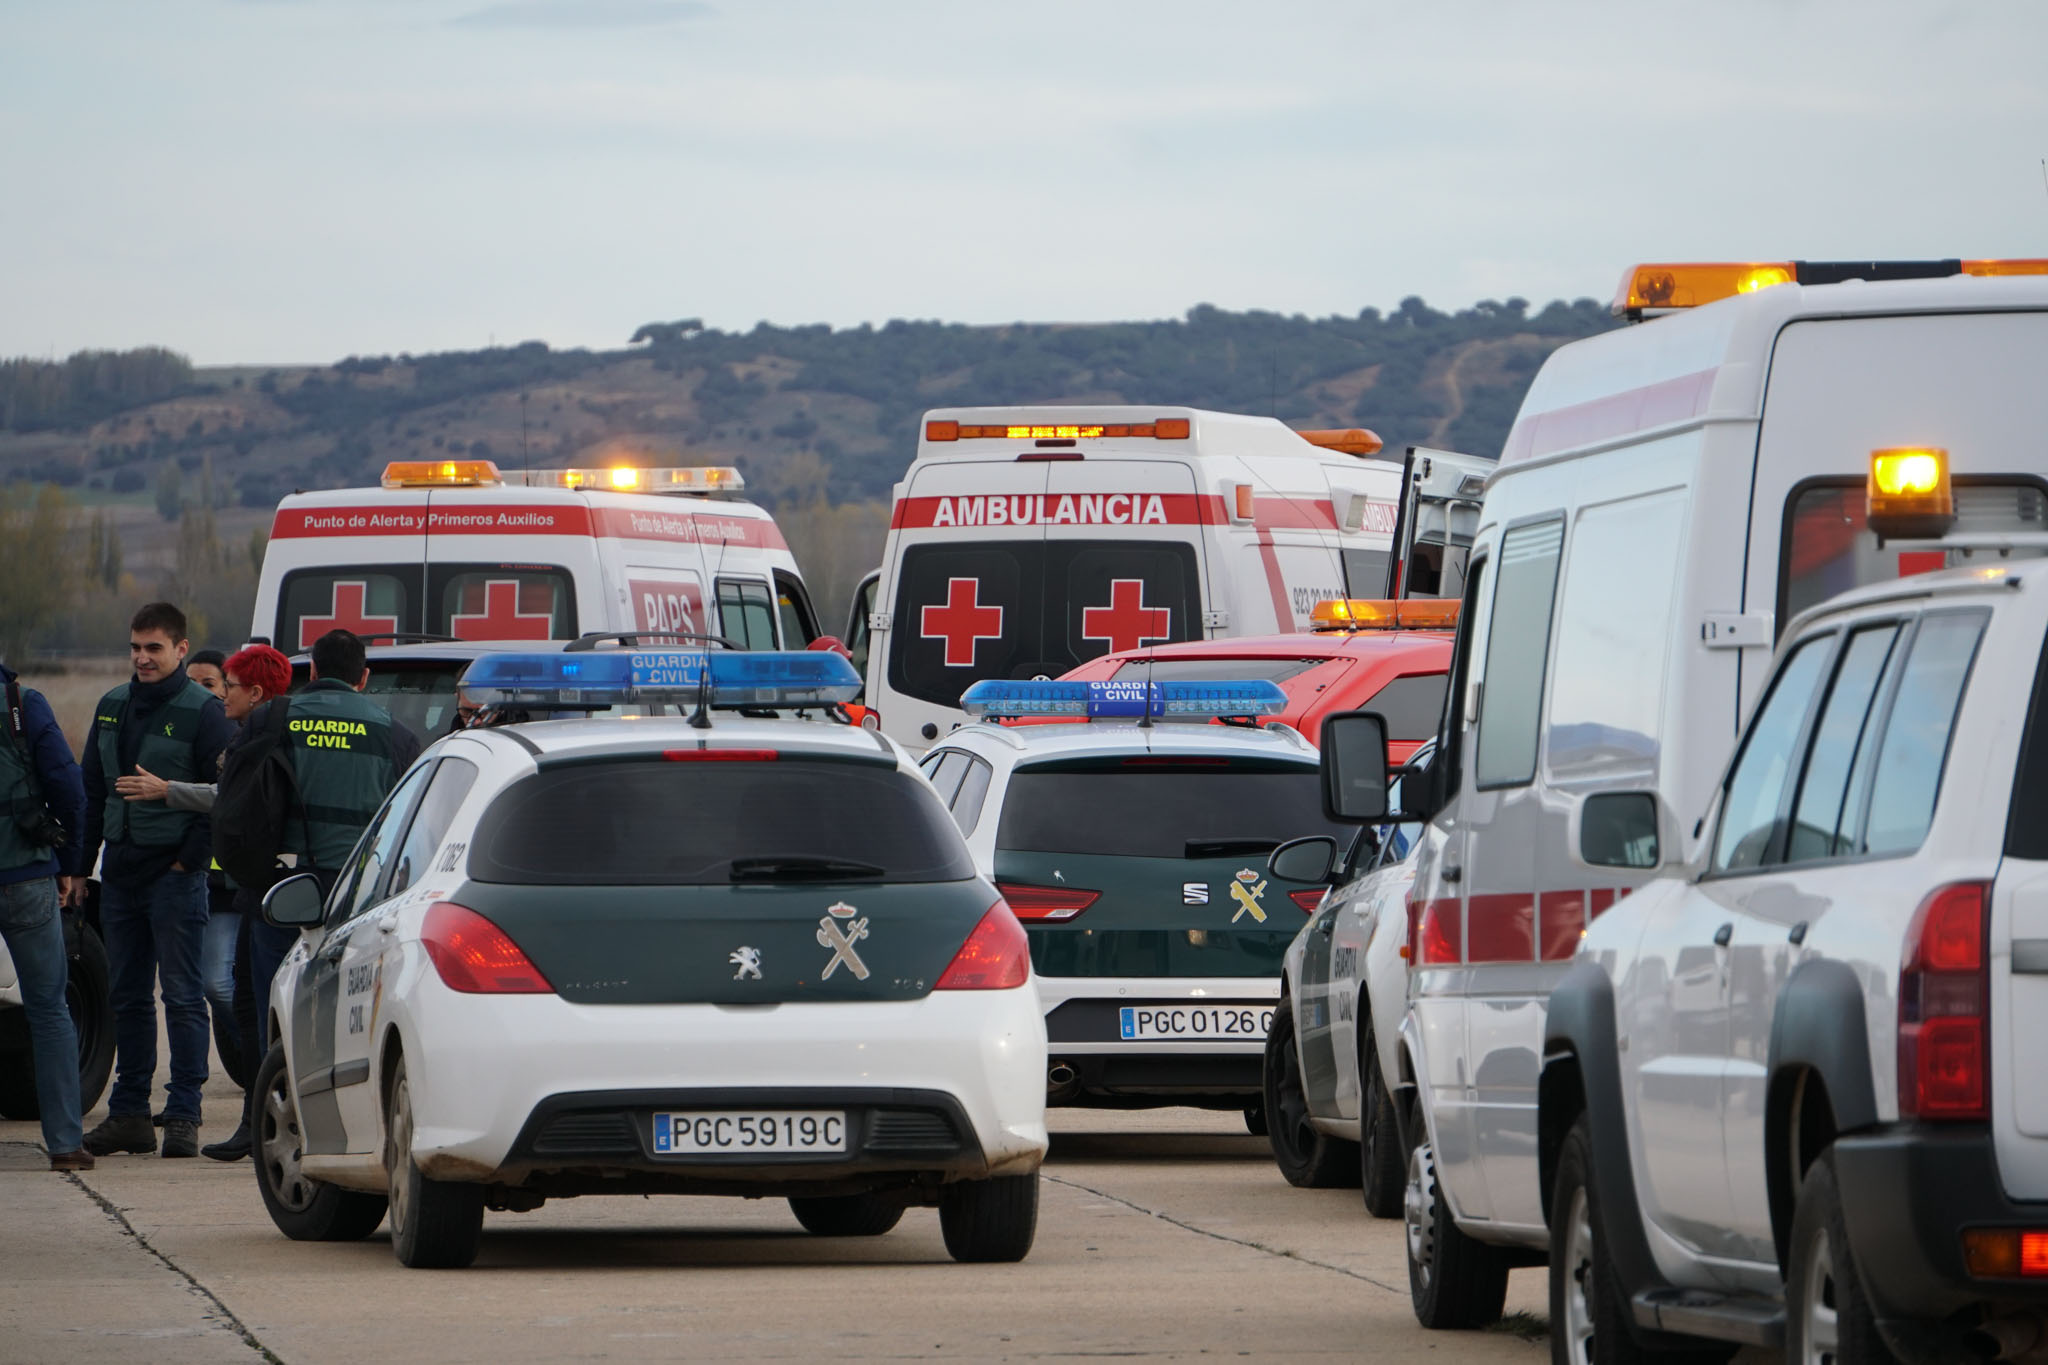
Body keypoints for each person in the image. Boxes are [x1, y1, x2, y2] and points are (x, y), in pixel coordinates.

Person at [204, 633, 419, 1161]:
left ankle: (266, 1126)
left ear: (311, 670)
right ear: (363, 677)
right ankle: (345, 1125)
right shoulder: (397, 735)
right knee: (351, 1015)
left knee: (266, 1009)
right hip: (360, 900)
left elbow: (234, 803)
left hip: (281, 891)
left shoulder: (272, 720)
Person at [75, 603, 236, 1159]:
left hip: (174, 877)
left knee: (184, 995)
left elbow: (223, 801)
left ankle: (184, 1114)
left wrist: (186, 862)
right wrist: (80, 864)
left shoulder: (205, 712)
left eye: (154, 648)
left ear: (180, 650)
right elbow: (91, 793)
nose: (142, 658)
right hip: (119, 875)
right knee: (126, 996)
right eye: (135, 648)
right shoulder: (112, 706)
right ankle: (129, 1115)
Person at [116, 647, 245, 1094]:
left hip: (221, 886)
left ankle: (258, 1059)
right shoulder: (137, 710)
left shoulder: (224, 728)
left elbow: (219, 803)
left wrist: (187, 858)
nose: (204, 693)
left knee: (208, 987)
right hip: (186, 877)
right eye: (198, 683)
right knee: (148, 993)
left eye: (213, 685)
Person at [0, 658, 91, 1170]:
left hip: (28, 875)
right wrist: (70, 863)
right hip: (27, 877)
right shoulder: (23, 705)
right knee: (50, 1011)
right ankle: (65, 1144)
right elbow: (71, 793)